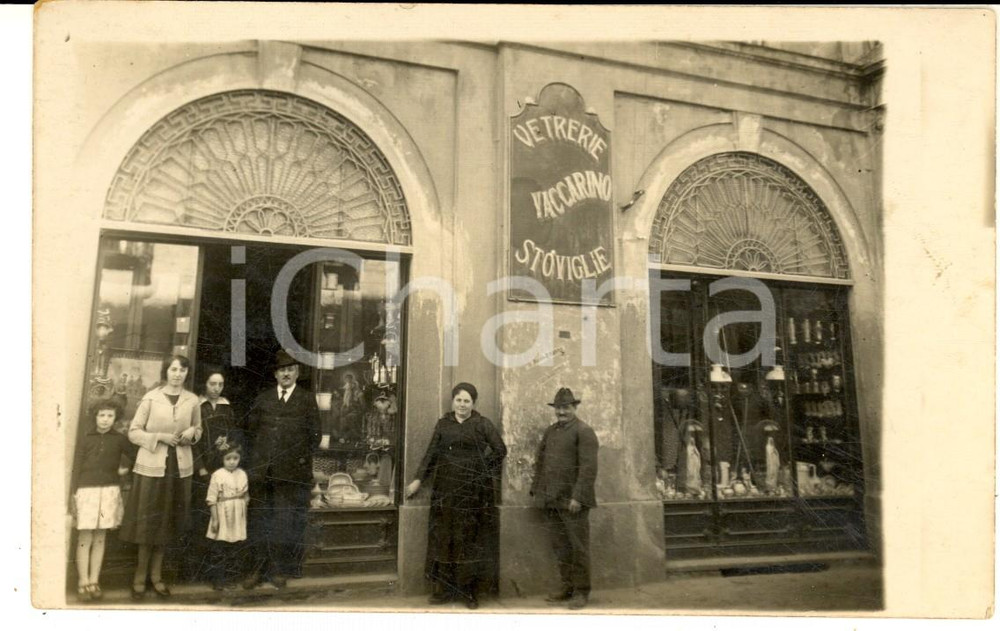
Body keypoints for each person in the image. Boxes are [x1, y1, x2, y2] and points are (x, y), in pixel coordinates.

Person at [406, 382, 507, 609]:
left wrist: (480, 468)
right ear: (453, 401)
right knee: (444, 536)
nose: (462, 405)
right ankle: (444, 590)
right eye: (458, 400)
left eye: (467, 401)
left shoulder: (482, 424)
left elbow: (500, 450)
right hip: (446, 490)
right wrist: (417, 480)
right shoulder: (444, 424)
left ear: (473, 403)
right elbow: (431, 454)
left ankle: (469, 592)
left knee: (469, 538)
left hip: (474, 493)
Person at [119, 354, 202, 600]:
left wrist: (190, 432)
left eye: (182, 370)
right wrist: (159, 437)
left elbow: (198, 429)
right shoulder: (151, 398)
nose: (178, 374)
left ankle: (156, 576)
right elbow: (134, 432)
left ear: (187, 374)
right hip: (152, 468)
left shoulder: (192, 400)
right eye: (174, 369)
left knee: (167, 522)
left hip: (178, 469)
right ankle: (139, 575)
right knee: (148, 522)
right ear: (166, 372)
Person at [242, 349, 321, 589]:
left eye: (290, 369)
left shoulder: (306, 399)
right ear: (275, 375)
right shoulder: (264, 398)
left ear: (296, 373)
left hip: (290, 475)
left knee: (283, 522)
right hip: (262, 473)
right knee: (259, 521)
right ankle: (257, 570)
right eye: (281, 370)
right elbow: (249, 432)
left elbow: (314, 436)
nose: (286, 374)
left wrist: (298, 461)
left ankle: (277, 570)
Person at [530, 387, 599, 610]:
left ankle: (581, 591)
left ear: (574, 408)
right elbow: (541, 462)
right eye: (558, 408)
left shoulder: (584, 431)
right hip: (552, 499)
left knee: (578, 547)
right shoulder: (551, 431)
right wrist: (537, 491)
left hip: (572, 502)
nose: (562, 412)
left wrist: (578, 497)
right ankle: (567, 587)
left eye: (566, 408)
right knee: (561, 547)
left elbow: (588, 469)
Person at [69, 398, 136, 602]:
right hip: (86, 492)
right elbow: (76, 466)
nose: (105, 420)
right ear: (95, 416)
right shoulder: (85, 438)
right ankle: (82, 581)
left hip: (109, 491)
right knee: (84, 537)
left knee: (100, 537)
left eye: (110, 416)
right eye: (101, 415)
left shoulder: (120, 439)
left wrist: (124, 471)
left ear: (115, 418)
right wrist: (73, 493)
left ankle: (94, 581)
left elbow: (136, 456)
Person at [186, 369, 242, 581]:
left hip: (222, 469)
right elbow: (193, 441)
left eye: (220, 384)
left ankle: (219, 572)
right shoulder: (197, 407)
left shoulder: (227, 409)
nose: (216, 388)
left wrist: (229, 448)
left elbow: (234, 437)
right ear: (205, 385)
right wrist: (200, 467)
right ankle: (199, 571)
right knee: (203, 518)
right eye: (212, 384)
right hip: (203, 471)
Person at [205, 443, 249, 590]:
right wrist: (216, 519)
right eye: (228, 458)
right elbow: (211, 499)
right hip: (223, 513)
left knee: (235, 548)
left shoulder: (242, 474)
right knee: (220, 548)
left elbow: (246, 495)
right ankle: (218, 579)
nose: (232, 462)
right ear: (222, 459)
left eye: (235, 458)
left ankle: (231, 578)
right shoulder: (217, 475)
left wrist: (244, 509)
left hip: (237, 515)